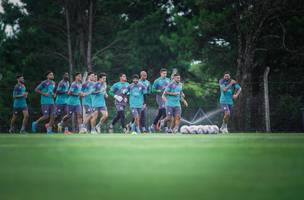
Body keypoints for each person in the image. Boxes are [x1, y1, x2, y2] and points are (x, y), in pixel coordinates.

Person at [149, 68, 170, 132]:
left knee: (160, 113)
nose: (165, 74)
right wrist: (158, 90)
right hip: (160, 98)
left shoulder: (168, 80)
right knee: (164, 111)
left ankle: (152, 126)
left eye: (166, 73)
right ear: (161, 73)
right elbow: (152, 90)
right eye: (164, 73)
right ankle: (166, 128)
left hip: (166, 98)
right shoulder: (157, 81)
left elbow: (171, 88)